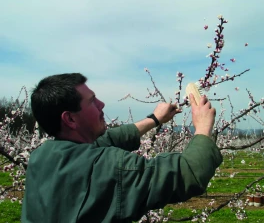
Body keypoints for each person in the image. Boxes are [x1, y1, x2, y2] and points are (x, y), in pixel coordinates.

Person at [21, 73, 222, 223]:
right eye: (92, 102)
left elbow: (106, 140)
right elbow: (189, 172)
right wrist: (203, 127)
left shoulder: (41, 156)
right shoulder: (110, 169)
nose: (102, 104)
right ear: (70, 118)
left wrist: (154, 120)